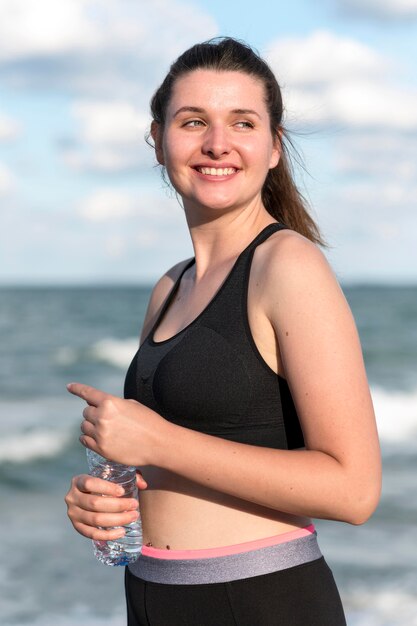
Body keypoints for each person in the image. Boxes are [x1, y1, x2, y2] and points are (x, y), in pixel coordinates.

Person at [65, 37, 381, 625]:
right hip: (153, 595)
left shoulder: (288, 266)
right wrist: (113, 498)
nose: (217, 143)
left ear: (273, 148)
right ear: (157, 141)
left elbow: (354, 489)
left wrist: (158, 442)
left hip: (258, 600)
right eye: (193, 122)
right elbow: (189, 460)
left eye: (242, 122)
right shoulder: (170, 287)